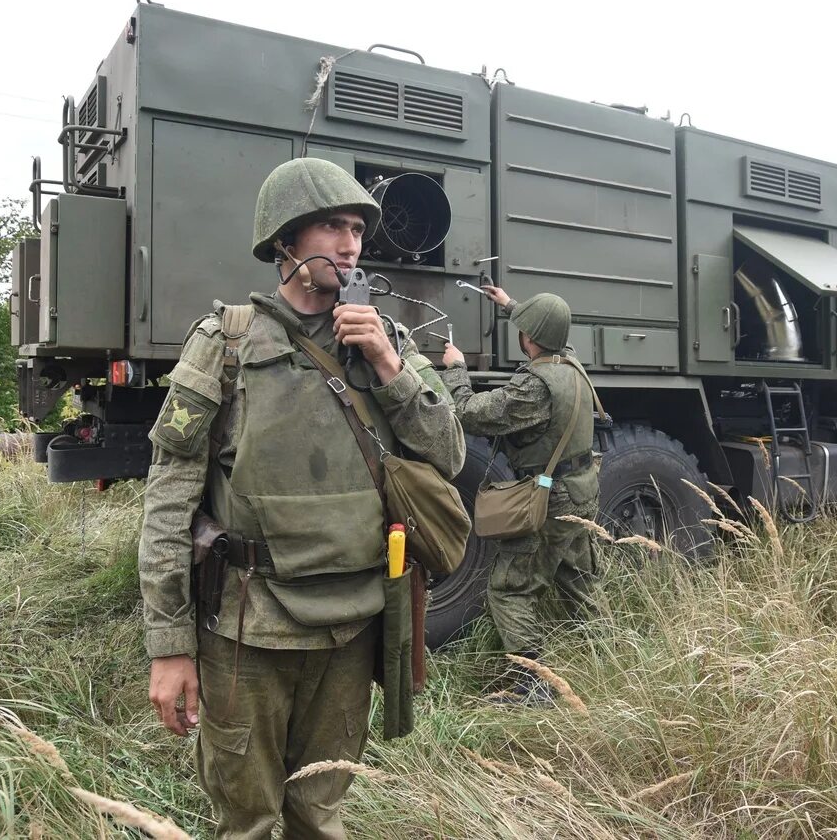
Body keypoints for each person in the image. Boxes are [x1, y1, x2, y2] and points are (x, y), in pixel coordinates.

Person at [138, 157, 464, 839]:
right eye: (331, 226)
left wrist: (390, 369)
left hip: (353, 625)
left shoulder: (387, 341)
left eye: (356, 230)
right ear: (286, 238)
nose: (349, 245)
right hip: (247, 629)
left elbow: (449, 455)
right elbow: (168, 501)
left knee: (320, 815)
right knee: (249, 821)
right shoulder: (225, 341)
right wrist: (169, 645)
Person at [440, 285, 600, 704]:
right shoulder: (572, 363)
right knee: (577, 579)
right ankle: (605, 653)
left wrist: (455, 370)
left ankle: (534, 684)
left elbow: (470, 413)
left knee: (510, 589)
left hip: (549, 498)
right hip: (581, 489)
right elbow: (551, 334)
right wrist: (512, 306)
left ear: (529, 338)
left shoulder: (535, 386)